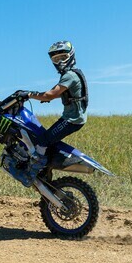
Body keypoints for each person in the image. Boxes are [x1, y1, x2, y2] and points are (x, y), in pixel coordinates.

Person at [28, 40, 88, 173]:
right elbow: (59, 92)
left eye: (63, 57)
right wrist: (45, 97)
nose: (60, 62)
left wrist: (29, 94)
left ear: (71, 56)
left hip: (72, 120)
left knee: (43, 139)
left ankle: (36, 169)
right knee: (49, 140)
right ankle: (47, 165)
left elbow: (50, 94)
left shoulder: (69, 76)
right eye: (56, 59)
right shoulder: (72, 74)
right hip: (73, 118)